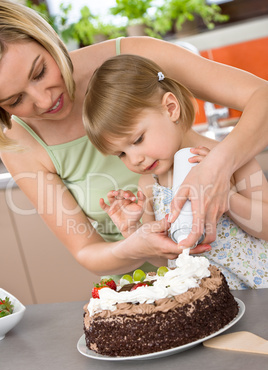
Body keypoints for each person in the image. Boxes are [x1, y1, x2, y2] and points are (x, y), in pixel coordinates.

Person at [0, 1, 268, 278]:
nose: (44, 100)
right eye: (15, 100)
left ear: (48, 40)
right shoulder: (147, 185)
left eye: (40, 71)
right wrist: (133, 241)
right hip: (157, 290)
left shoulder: (133, 62)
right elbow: (88, 251)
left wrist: (219, 168)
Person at [83, 54, 268, 289]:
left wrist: (227, 197)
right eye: (121, 154)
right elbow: (165, 258)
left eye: (138, 139)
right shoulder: (149, 185)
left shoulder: (230, 158)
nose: (135, 159)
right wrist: (133, 231)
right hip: (202, 306)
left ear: (171, 108)